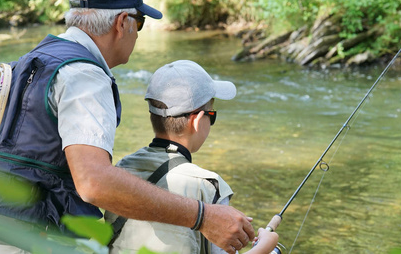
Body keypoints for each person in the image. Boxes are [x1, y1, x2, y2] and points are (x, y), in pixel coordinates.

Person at [0, 0, 254, 253]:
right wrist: (202, 216)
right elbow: (94, 182)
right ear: (122, 22)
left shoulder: (35, 58)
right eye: (139, 23)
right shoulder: (85, 77)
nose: (137, 34)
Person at [104, 60, 279, 254]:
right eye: (212, 115)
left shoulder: (119, 171)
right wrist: (265, 248)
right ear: (196, 121)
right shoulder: (207, 186)